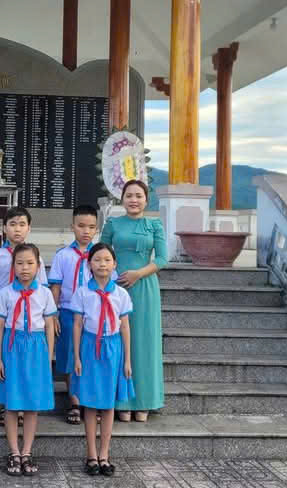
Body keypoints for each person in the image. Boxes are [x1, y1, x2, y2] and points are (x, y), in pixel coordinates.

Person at [0, 243, 56, 477]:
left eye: (30, 263)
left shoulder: (44, 294)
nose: (25, 268)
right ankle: (13, 451)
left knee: (32, 405)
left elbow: (48, 326)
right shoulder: (5, 293)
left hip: (36, 349)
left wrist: (48, 358)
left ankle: (27, 451)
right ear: (12, 266)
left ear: (38, 266)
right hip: (12, 347)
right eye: (19, 263)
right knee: (12, 404)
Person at [100, 179, 167, 422]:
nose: (134, 200)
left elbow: (162, 259)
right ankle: (122, 401)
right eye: (129, 195)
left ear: (146, 200)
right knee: (119, 342)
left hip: (145, 288)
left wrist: (139, 274)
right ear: (122, 199)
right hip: (115, 288)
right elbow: (100, 255)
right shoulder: (113, 224)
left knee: (144, 344)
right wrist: (111, 276)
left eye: (139, 196)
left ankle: (145, 401)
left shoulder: (154, 226)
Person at [69, 243, 134, 477]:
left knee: (108, 404)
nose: (102, 264)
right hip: (89, 348)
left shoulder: (121, 294)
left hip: (113, 348)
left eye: (107, 260)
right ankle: (91, 454)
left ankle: (105, 454)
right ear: (89, 264)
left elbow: (125, 326)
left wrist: (127, 359)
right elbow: (77, 325)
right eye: (97, 260)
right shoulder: (82, 292)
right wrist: (76, 356)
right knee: (90, 403)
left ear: (115, 264)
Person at [0, 207, 47, 426]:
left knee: (26, 366)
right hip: (5, 316)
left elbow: (43, 291)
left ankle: (25, 403)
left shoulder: (37, 258)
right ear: (4, 228)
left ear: (29, 228)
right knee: (2, 359)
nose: (17, 229)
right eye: (12, 224)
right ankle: (6, 403)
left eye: (21, 224)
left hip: (29, 320)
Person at [48, 204, 103, 425]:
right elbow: (56, 287)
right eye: (81, 226)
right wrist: (52, 314)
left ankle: (91, 400)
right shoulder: (63, 255)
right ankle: (74, 401)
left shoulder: (101, 255)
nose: (86, 231)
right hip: (69, 313)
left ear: (96, 229)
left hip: (95, 315)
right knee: (71, 357)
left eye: (91, 227)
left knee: (90, 356)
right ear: (72, 227)